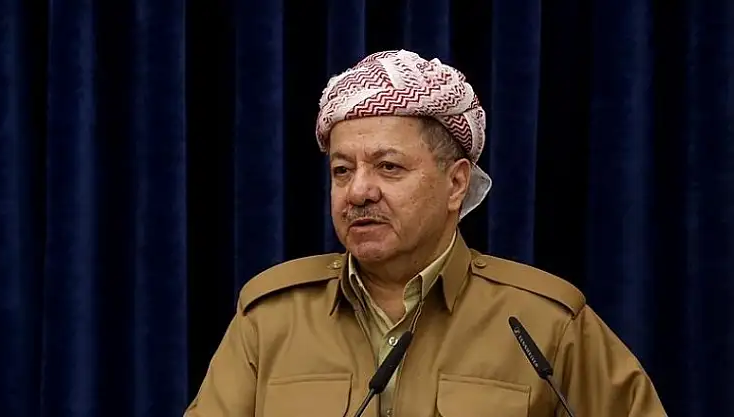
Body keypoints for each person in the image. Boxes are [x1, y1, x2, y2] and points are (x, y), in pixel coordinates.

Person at [184, 49, 667, 417]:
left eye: (388, 167)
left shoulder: (544, 323)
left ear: (456, 183)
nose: (358, 192)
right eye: (341, 171)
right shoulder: (271, 318)